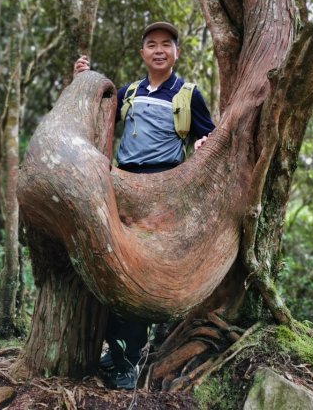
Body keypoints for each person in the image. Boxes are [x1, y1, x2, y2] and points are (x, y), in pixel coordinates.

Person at [73, 21, 215, 389]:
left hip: (163, 191)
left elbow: (209, 136)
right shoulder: (131, 91)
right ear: (142, 53)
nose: (158, 49)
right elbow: (98, 111)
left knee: (142, 271)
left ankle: (127, 362)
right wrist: (82, 79)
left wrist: (203, 145)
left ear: (176, 53)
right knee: (111, 262)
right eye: (151, 44)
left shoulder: (187, 94)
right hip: (122, 186)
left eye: (166, 44)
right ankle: (115, 351)